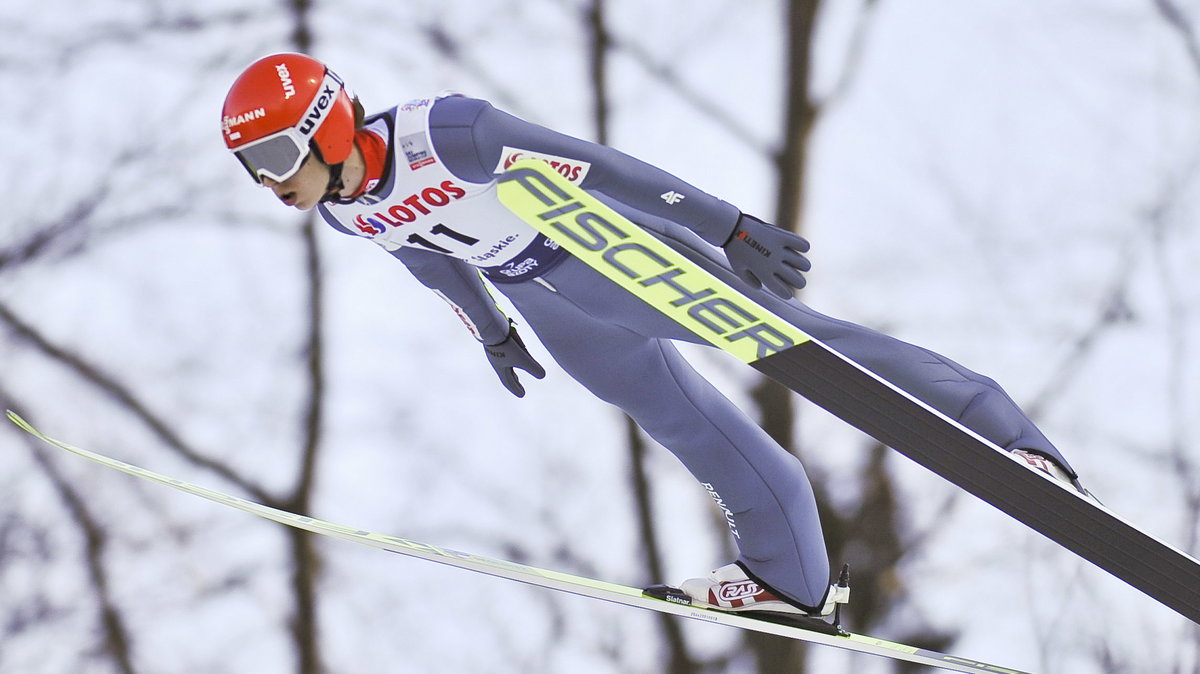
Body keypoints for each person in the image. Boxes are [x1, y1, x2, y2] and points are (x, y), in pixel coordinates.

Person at [220, 52, 1082, 618]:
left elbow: (605, 167)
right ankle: (795, 577)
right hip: (550, 304)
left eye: (274, 161)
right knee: (686, 426)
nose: (270, 185)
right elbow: (428, 259)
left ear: (325, 128)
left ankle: (1002, 435)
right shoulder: (346, 215)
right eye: (253, 171)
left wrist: (730, 223)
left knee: (801, 346)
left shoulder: (450, 135)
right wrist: (490, 331)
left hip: (610, 256)